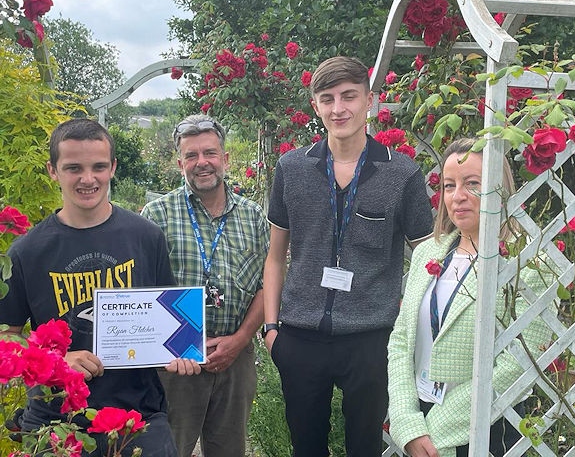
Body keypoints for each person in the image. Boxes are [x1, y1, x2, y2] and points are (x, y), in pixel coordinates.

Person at [262, 56, 433, 457]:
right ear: (315, 105)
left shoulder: (401, 174)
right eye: (327, 98)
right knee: (306, 447)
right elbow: (275, 256)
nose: (338, 108)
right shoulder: (292, 168)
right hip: (300, 335)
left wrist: (407, 330)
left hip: (371, 338)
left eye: (349, 96)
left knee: (365, 447)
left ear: (369, 101)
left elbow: (428, 256)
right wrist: (272, 330)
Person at [0, 118, 201, 457]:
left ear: (113, 168)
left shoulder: (146, 237)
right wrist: (58, 361)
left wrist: (179, 350)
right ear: (52, 170)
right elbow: (6, 340)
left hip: (139, 415)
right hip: (54, 420)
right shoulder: (26, 252)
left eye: (98, 167)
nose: (88, 179)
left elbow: (168, 315)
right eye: (73, 168)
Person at [387, 138, 553, 457]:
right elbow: (402, 340)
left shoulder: (530, 261)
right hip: (420, 415)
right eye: (449, 185)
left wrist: (437, 429)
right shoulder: (428, 253)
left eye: (472, 183)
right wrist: (407, 421)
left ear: (499, 187)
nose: (458, 196)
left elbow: (522, 360)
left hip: (487, 425)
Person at [141, 114, 269, 457]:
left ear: (225, 159)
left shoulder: (252, 215)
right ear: (180, 162)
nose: (202, 163)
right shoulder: (157, 215)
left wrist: (240, 341)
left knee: (229, 450)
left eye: (210, 153)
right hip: (175, 363)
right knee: (169, 449)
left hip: (235, 358)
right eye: (192, 156)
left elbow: (265, 285)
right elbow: (142, 292)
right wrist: (169, 349)